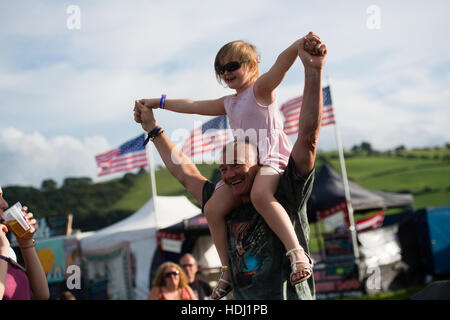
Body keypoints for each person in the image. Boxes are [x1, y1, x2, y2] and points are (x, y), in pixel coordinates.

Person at [135, 32, 327, 299]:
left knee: (261, 195)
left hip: (269, 157)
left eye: (232, 65)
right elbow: (194, 106)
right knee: (212, 208)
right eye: (221, 69)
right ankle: (227, 269)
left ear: (252, 65)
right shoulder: (228, 103)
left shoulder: (260, 89)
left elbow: (281, 66)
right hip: (247, 160)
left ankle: (296, 253)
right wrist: (158, 103)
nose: (226, 73)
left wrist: (298, 46)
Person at [0, 185, 50, 300]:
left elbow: (40, 295)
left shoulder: (7, 253)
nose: (5, 204)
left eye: (2, 196)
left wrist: (25, 242)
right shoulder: (3, 251)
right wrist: (2, 251)